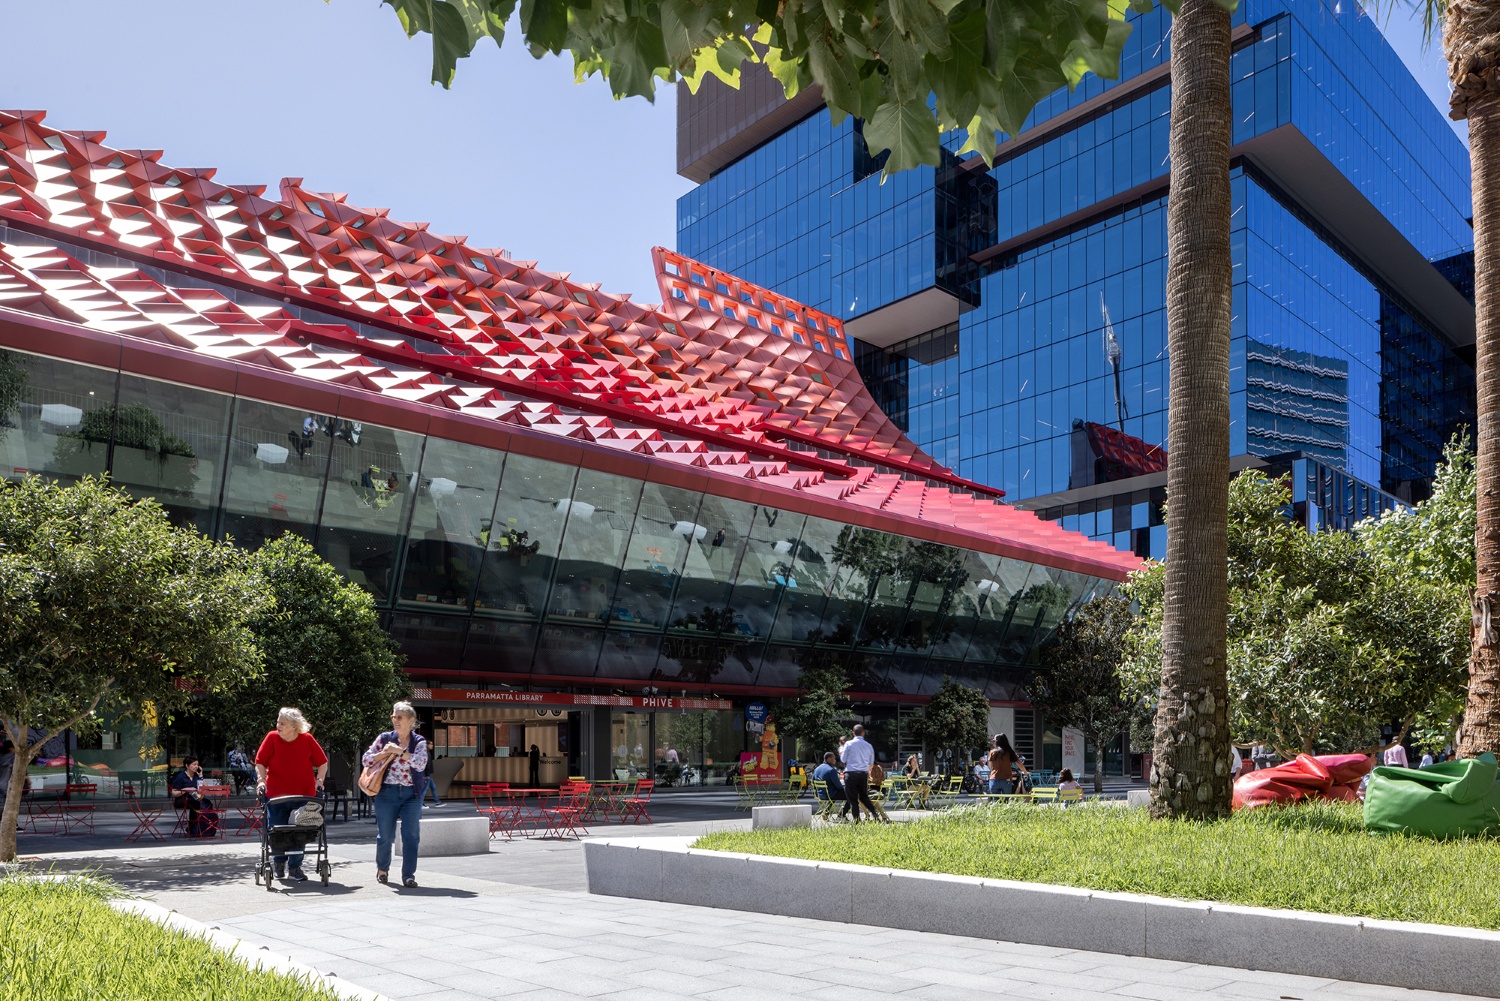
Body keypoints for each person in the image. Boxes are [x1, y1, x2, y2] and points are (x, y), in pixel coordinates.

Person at [255, 708, 328, 882]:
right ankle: (279, 864)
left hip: (303, 795)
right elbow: (260, 762)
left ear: (294, 726)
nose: (277, 725)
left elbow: (323, 763)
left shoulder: (307, 739)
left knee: (300, 831)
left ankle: (295, 867)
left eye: (282, 723)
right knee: (277, 831)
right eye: (278, 722)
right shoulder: (272, 738)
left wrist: (319, 780)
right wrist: (261, 780)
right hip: (276, 795)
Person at [363, 701, 428, 889]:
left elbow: (420, 764)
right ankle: (382, 869)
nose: (396, 720)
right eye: (394, 717)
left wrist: (399, 751)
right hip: (387, 793)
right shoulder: (384, 738)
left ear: (411, 720)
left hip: (411, 794)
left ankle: (408, 875)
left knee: (411, 836)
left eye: (400, 717)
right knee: (385, 835)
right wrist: (383, 753)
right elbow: (366, 759)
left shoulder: (419, 742)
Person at [839, 725, 886, 823]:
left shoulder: (848, 744)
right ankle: (874, 813)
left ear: (853, 733)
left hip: (851, 773)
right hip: (863, 774)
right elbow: (871, 763)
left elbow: (843, 759)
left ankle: (857, 820)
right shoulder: (868, 746)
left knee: (853, 799)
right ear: (863, 733)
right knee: (864, 797)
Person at [170, 756, 219, 837]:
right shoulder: (181, 777)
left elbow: (205, 788)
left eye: (197, 765)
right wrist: (186, 789)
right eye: (194, 764)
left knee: (207, 802)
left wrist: (201, 776)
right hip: (182, 799)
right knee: (196, 803)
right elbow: (174, 793)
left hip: (195, 798)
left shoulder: (197, 776)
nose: (196, 766)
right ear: (187, 765)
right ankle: (193, 828)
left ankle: (202, 827)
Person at [811, 751, 849, 820]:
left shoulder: (816, 769)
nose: (835, 760)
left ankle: (826, 812)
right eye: (834, 758)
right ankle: (841, 815)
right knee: (851, 796)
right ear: (828, 759)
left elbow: (813, 782)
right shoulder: (831, 770)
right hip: (830, 794)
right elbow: (839, 786)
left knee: (833, 793)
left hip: (820, 794)